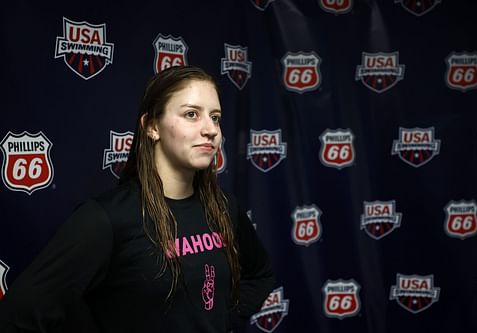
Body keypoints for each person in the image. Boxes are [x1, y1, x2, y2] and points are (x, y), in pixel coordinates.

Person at [0, 66, 274, 332]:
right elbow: (18, 316)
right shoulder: (106, 219)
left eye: (215, 117)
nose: (211, 130)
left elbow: (260, 274)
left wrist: (223, 319)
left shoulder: (223, 206)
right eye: (192, 114)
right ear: (152, 126)